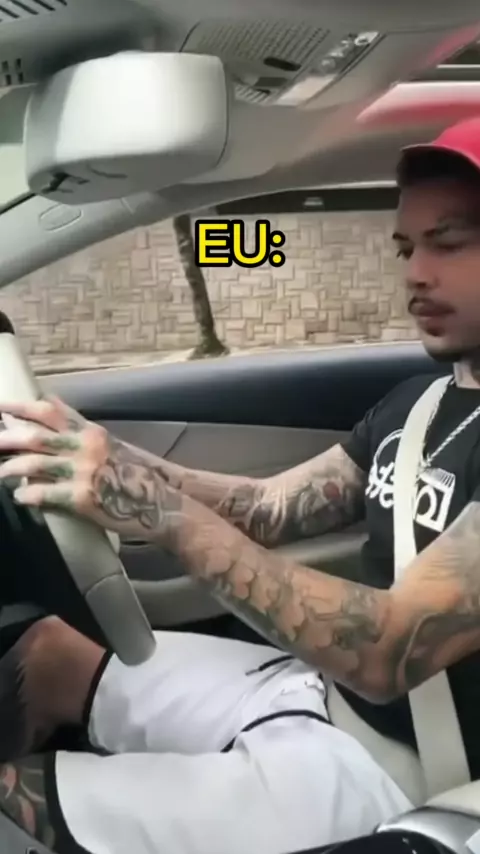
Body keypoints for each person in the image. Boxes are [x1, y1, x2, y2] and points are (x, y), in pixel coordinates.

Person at [1, 115, 480, 854]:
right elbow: (267, 508)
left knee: (15, 806)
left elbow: (390, 648)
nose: (415, 272)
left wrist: (158, 510)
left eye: (448, 243)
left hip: (405, 766)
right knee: (45, 651)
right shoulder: (418, 403)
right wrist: (100, 454)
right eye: (406, 247)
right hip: (324, 693)